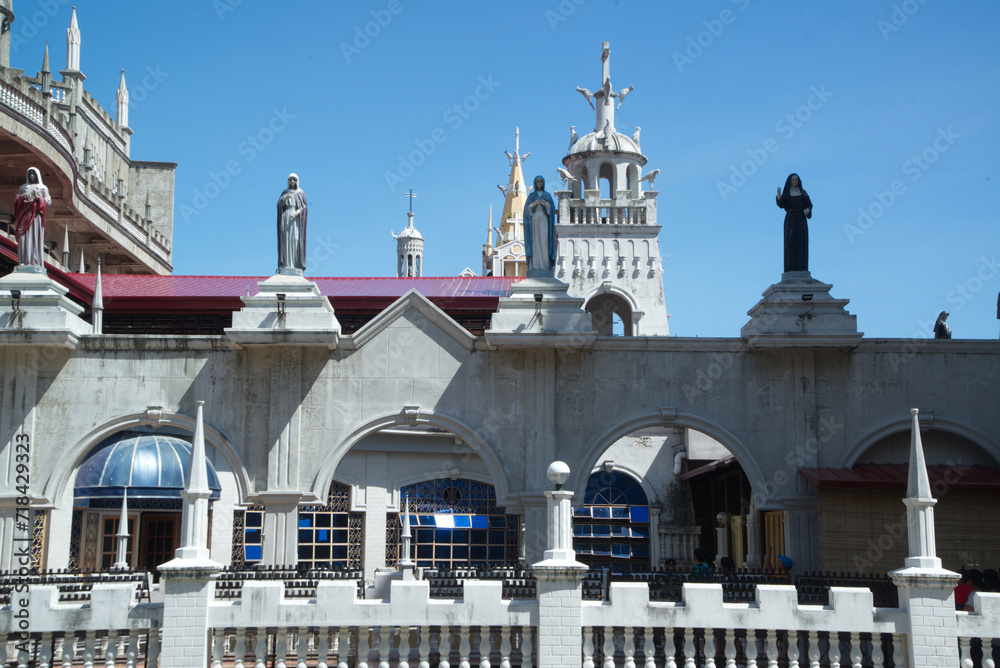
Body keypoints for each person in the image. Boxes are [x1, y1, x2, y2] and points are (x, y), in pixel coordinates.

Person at [14, 167, 51, 270]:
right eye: (30, 174)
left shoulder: (43, 188)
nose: (31, 176)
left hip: (36, 216)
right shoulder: (23, 188)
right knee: (23, 237)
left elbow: (48, 201)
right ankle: (23, 261)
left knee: (35, 237)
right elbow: (17, 200)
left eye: (33, 174)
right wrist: (22, 198)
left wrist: (38, 198)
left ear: (37, 175)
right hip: (25, 215)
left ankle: (35, 261)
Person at [776, 173, 813, 273]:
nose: (795, 181)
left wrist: (808, 209)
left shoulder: (803, 193)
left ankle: (802, 267)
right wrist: (779, 196)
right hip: (791, 219)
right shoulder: (787, 193)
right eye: (793, 180)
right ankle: (791, 267)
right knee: (791, 243)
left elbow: (809, 205)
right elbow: (782, 204)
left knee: (801, 242)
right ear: (790, 181)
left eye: (796, 179)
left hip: (801, 219)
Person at [523, 175, 557, 277]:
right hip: (534, 220)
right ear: (535, 183)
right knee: (535, 241)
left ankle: (545, 265)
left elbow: (552, 208)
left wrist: (545, 204)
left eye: (541, 181)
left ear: (543, 183)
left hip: (544, 220)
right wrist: (533, 204)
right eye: (537, 182)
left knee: (544, 241)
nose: (539, 183)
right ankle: (535, 265)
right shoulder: (531, 196)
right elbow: (526, 210)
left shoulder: (547, 195)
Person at [277, 173, 308, 275]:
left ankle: (295, 263)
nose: (292, 182)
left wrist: (297, 212)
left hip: (296, 219)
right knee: (286, 240)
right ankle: (286, 263)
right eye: (290, 180)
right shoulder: (285, 192)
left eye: (294, 180)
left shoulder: (300, 193)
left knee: (295, 239)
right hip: (286, 217)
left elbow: (304, 207)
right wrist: (284, 199)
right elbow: (279, 205)